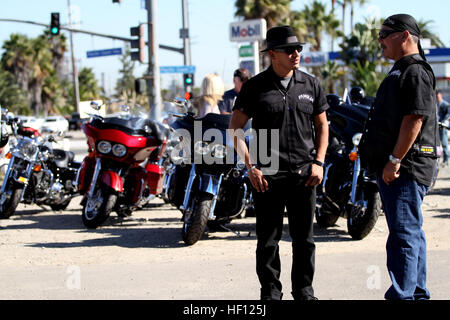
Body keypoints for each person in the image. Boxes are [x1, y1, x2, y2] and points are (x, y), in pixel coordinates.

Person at [229, 25, 329, 300]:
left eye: (298, 49)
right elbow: (235, 127)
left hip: (303, 174)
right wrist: (250, 166)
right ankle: (271, 294)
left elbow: (322, 126)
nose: (296, 53)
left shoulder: (311, 84)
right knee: (268, 242)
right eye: (289, 50)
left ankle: (304, 292)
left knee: (304, 241)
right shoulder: (254, 87)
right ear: (273, 54)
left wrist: (319, 162)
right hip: (267, 175)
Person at [359, 14, 439, 300]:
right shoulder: (402, 69)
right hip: (400, 166)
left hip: (405, 168)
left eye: (385, 34)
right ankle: (416, 294)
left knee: (403, 236)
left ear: (404, 36)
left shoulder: (414, 71)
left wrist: (394, 160)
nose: (379, 40)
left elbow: (414, 118)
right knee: (410, 233)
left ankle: (404, 295)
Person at [436, 89, 449, 166]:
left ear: (441, 95)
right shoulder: (436, 105)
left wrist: (443, 121)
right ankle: (438, 159)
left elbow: (448, 115)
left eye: (438, 96)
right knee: (437, 144)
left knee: (444, 143)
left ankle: (446, 159)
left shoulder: (445, 104)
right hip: (437, 127)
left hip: (443, 127)